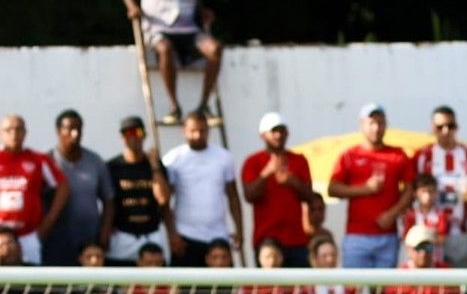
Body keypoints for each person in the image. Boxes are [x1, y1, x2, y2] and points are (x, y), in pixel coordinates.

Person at [118, 0, 222, 124]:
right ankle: (174, 106)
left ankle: (204, 105)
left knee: (214, 49)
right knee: (164, 48)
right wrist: (132, 7)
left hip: (189, 29)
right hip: (158, 28)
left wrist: (201, 10)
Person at [328, 103, 415, 269]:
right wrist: (365, 189)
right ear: (362, 125)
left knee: (383, 292)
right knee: (352, 290)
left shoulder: (398, 155)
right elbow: (332, 189)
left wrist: (392, 214)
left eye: (380, 123)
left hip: (387, 236)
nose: (376, 128)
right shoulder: (349, 155)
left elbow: (411, 189)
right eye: (371, 123)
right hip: (356, 236)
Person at [162, 112, 242, 267]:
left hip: (218, 236)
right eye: (193, 131)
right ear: (184, 131)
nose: (198, 135)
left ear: (208, 131)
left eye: (202, 131)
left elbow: (233, 195)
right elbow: (165, 201)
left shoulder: (223, 157)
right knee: (186, 290)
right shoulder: (173, 158)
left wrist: (239, 230)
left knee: (222, 290)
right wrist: (172, 234)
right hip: (185, 236)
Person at [241, 111, 315, 268]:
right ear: (263, 135)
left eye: (281, 130)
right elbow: (249, 196)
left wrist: (292, 181)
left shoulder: (299, 160)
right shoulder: (253, 162)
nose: (278, 135)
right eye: (273, 131)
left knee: (299, 290)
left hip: (296, 240)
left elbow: (310, 197)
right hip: (266, 240)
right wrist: (267, 173)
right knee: (269, 291)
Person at [42, 109, 114, 267]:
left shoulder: (95, 161)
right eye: (69, 129)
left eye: (78, 129)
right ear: (59, 131)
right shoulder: (47, 162)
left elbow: (109, 200)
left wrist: (105, 231)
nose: (74, 134)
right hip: (56, 240)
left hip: (89, 239)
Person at [412, 105, 467, 268]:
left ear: (457, 127)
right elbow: (412, 191)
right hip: (429, 236)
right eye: (440, 127)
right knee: (431, 289)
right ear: (432, 129)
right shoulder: (423, 155)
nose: (446, 131)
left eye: (450, 126)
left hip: (460, 233)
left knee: (461, 288)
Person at [0, 114, 69, 265]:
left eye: (18, 129)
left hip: (28, 235)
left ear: (25, 132)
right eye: (8, 130)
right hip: (2, 238)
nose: (14, 134)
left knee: (30, 283)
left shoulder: (38, 159)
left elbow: (63, 186)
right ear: (1, 133)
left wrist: (49, 221)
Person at [106, 115, 170, 266]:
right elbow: (108, 202)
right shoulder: (112, 167)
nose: (134, 137)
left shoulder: (155, 166)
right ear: (122, 138)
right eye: (128, 134)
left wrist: (154, 165)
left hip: (152, 234)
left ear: (145, 135)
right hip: (123, 236)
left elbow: (163, 199)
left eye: (138, 133)